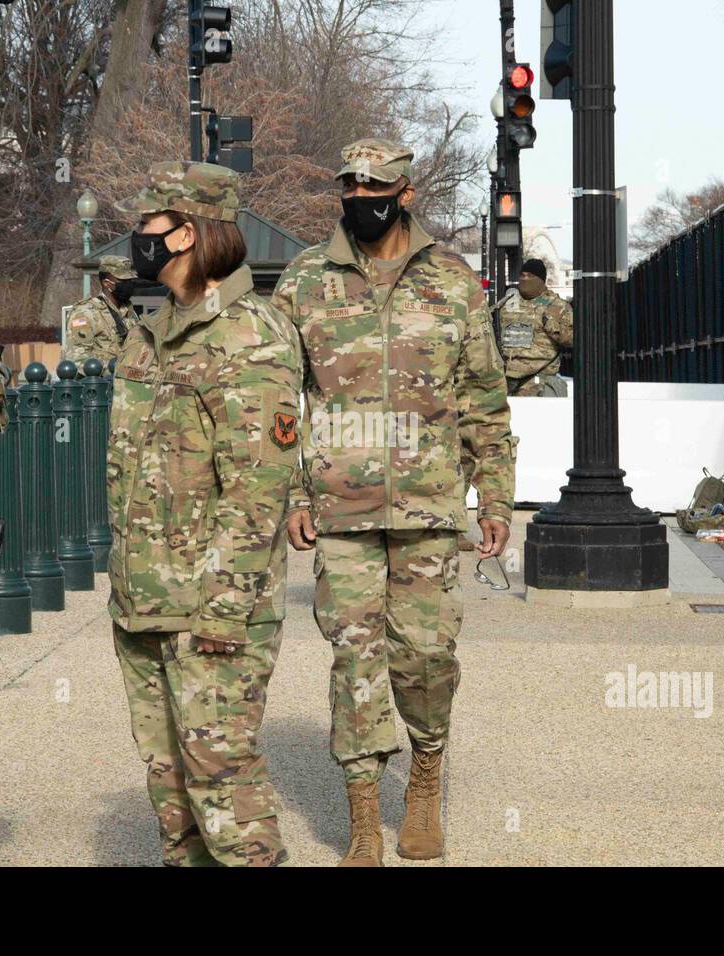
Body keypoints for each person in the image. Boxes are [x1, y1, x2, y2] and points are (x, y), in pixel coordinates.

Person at [272, 138, 516, 866]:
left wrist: (495, 495)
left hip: (429, 507)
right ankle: (362, 820)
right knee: (355, 659)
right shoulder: (305, 279)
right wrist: (292, 490)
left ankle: (426, 776)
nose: (361, 199)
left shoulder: (451, 279)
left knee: (427, 657)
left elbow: (483, 396)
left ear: (406, 193)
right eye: (350, 187)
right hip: (340, 511)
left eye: (376, 188)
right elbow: (280, 398)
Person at [107, 161, 299, 867]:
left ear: (186, 233)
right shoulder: (151, 330)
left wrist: (223, 610)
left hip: (211, 611)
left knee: (225, 790)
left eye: (148, 228)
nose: (137, 241)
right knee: (172, 793)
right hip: (145, 601)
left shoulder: (251, 335)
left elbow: (257, 491)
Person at [500, 258, 573, 397]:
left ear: (541, 279)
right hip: (507, 382)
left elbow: (570, 340)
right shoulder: (508, 303)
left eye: (531, 276)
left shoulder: (556, 306)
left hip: (539, 381)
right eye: (522, 275)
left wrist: (551, 323)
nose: (525, 279)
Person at [65, 254, 137, 371]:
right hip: (100, 384)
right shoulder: (85, 313)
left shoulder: (129, 311)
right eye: (123, 281)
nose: (129, 285)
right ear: (106, 283)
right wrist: (115, 369)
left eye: (130, 281)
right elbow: (77, 360)